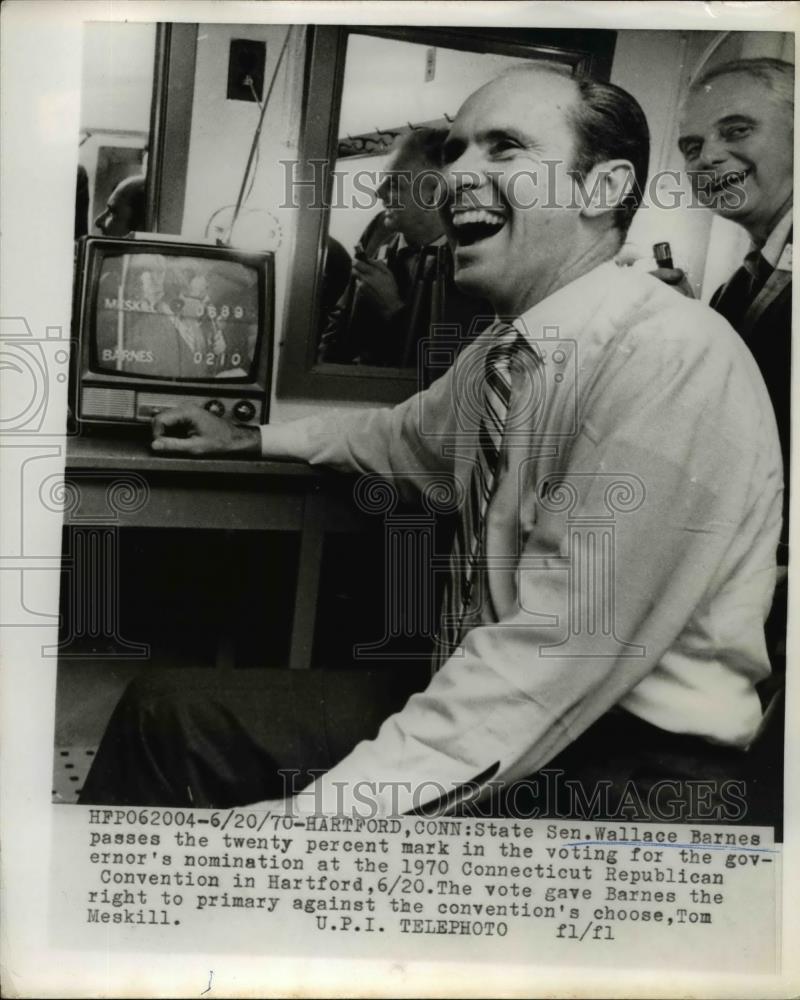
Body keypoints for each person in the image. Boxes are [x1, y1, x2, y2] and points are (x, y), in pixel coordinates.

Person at [80, 65, 782, 823]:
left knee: (277, 828)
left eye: (504, 149)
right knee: (170, 713)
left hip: (631, 767)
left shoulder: (670, 357)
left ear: (602, 188)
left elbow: (546, 664)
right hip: (529, 710)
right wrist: (253, 437)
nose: (454, 178)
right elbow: (398, 437)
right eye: (454, 153)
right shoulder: (505, 352)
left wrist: (295, 828)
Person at [318, 128, 492, 375]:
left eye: (394, 184)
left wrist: (394, 311)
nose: (378, 193)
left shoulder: (474, 261)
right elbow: (339, 317)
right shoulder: (379, 229)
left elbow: (448, 370)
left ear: (435, 194)